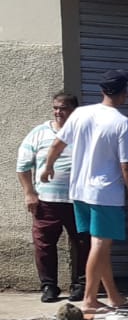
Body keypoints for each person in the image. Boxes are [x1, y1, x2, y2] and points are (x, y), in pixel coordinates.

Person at [42, 70, 128, 314]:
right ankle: (89, 299)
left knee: (100, 245)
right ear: (124, 94)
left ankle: (114, 297)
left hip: (79, 191)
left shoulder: (81, 113)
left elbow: (58, 142)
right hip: (104, 193)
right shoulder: (121, 122)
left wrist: (47, 167)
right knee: (100, 244)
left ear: (102, 91)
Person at [17, 92, 88, 303]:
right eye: (56, 108)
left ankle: (81, 284)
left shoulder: (84, 133)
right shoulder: (39, 133)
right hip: (47, 201)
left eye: (63, 108)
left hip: (79, 200)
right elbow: (23, 166)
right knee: (44, 244)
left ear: (74, 110)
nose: (58, 112)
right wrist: (29, 193)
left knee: (84, 243)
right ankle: (49, 286)